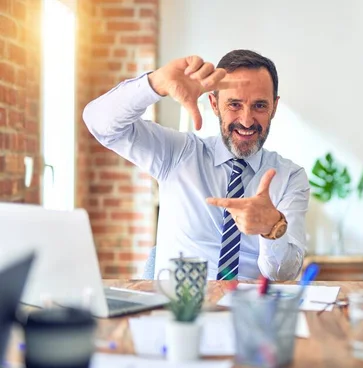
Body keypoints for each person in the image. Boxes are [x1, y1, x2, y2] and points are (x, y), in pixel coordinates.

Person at [83, 50, 309, 281]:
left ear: (274, 107)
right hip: (180, 307)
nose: (246, 120)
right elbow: (100, 123)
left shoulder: (290, 177)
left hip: (247, 310)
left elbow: (284, 274)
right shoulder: (177, 153)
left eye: (260, 105)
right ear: (214, 103)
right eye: (234, 104)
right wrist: (156, 82)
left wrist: (271, 228)